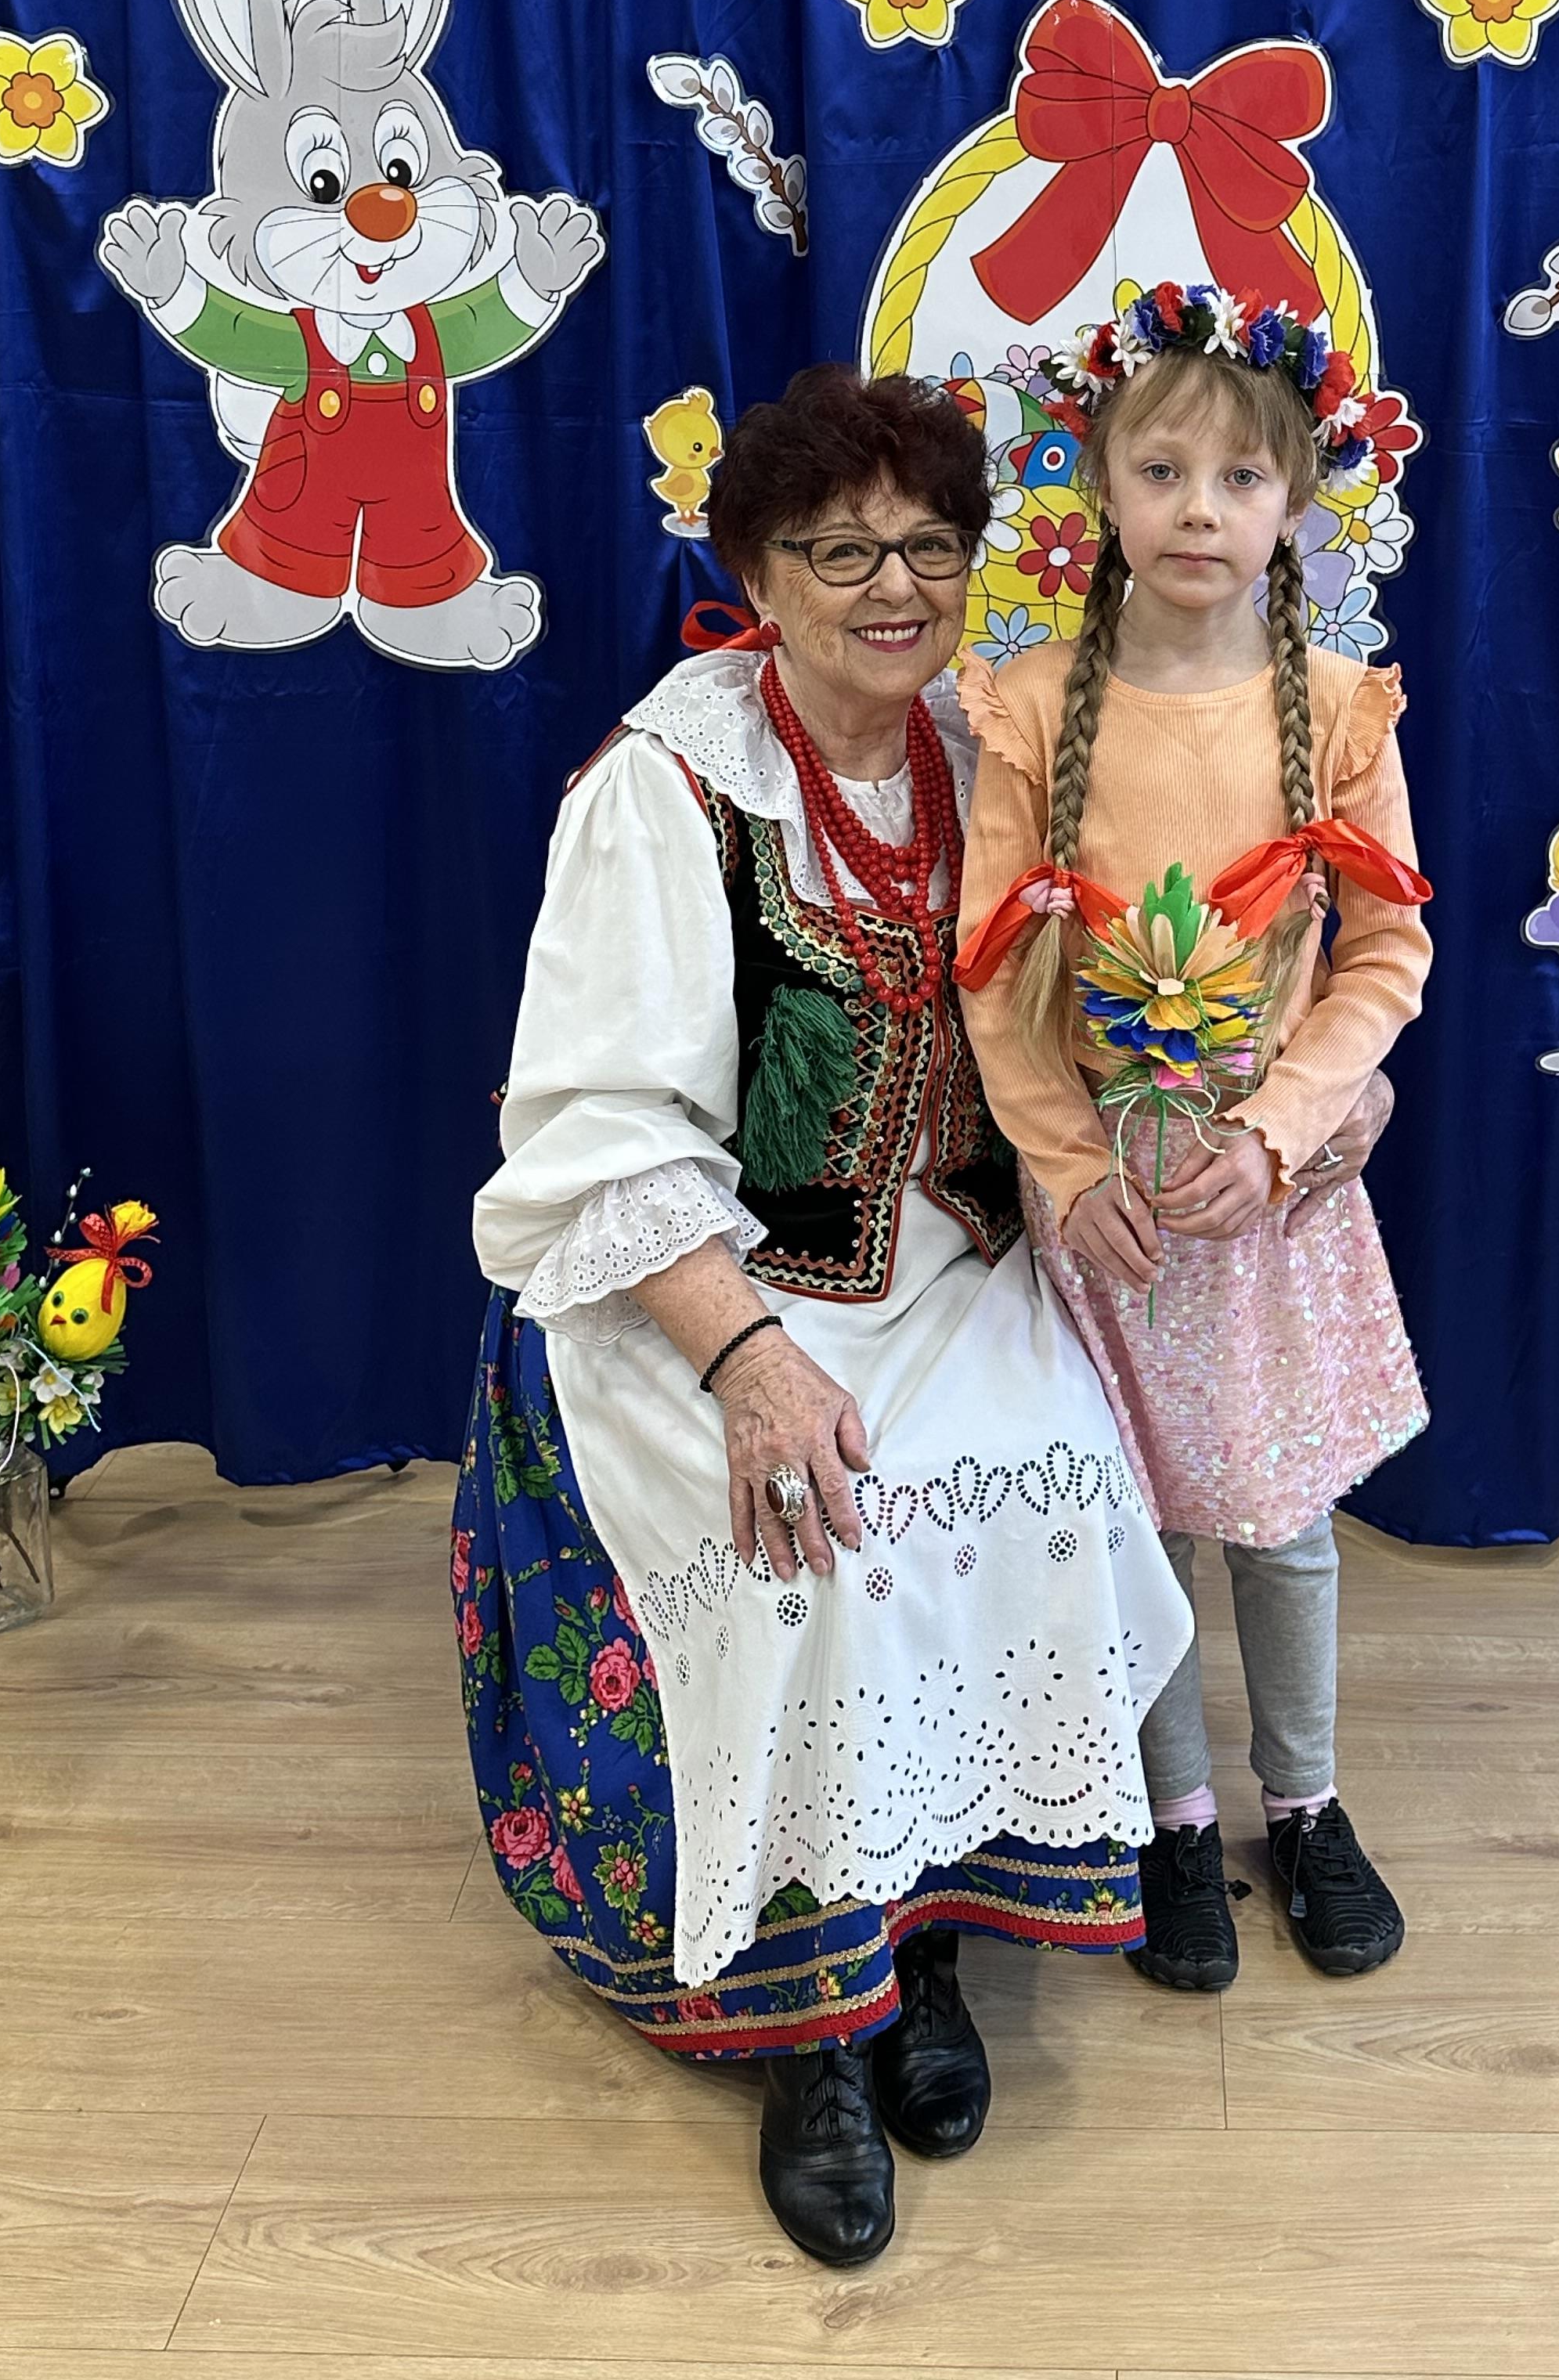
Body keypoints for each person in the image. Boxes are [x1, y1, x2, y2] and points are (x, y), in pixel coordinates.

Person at [459, 366, 1191, 2268]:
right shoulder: (672, 785)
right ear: (755, 576)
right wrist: (748, 1358)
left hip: (944, 1253)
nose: (893, 587)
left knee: (1047, 1481)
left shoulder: (987, 741)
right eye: (839, 552)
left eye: (930, 548)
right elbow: (599, 1130)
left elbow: (1099, 989)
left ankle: (920, 1935)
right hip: (699, 1283)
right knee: (817, 1548)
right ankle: (807, 2025)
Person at [955, 283, 1432, 1997]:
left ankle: (1304, 1804)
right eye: (1160, 472)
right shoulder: (1030, 708)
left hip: (1268, 1203)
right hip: (1110, 1211)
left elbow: (1385, 956)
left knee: (1280, 1519)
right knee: (1135, 1515)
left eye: (1240, 478)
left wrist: (1291, 1127)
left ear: (1294, 502)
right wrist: (1071, 1168)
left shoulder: (1338, 709)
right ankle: (1172, 1819)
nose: (1198, 511)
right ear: (1100, 485)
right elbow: (996, 975)